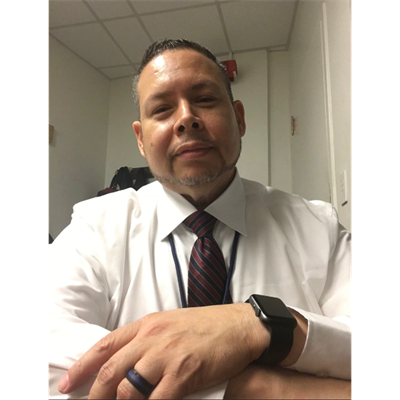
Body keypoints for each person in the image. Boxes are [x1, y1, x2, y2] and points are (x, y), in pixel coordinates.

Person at [48, 39, 352, 399]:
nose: (185, 119)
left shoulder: (319, 228)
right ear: (141, 140)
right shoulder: (93, 228)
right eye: (162, 109)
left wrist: (254, 324)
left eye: (205, 99)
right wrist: (255, 385)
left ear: (239, 119)